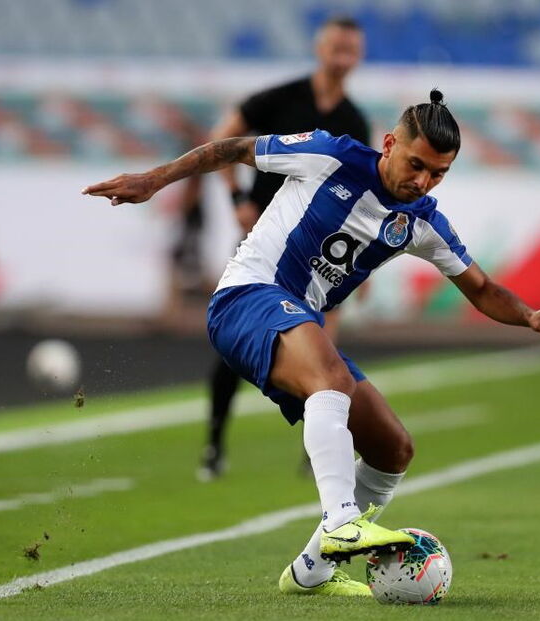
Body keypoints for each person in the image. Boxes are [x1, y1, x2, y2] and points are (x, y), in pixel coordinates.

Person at [83, 89, 540, 597]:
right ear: (390, 143)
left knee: (393, 448)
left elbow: (479, 287)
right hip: (247, 296)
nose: (422, 181)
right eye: (416, 164)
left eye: (438, 174)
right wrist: (154, 180)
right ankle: (341, 521)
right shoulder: (330, 155)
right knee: (332, 380)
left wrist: (529, 315)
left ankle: (311, 572)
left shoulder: (421, 221)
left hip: (298, 322)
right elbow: (232, 148)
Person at [200, 15, 371, 480]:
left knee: (324, 350)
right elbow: (223, 140)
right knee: (236, 345)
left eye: (351, 50)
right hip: (264, 240)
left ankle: (317, 453)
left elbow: (364, 195)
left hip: (318, 252)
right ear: (320, 48)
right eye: (336, 47)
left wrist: (363, 265)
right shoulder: (280, 98)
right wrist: (237, 198)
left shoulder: (353, 120)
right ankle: (214, 446)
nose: (342, 57)